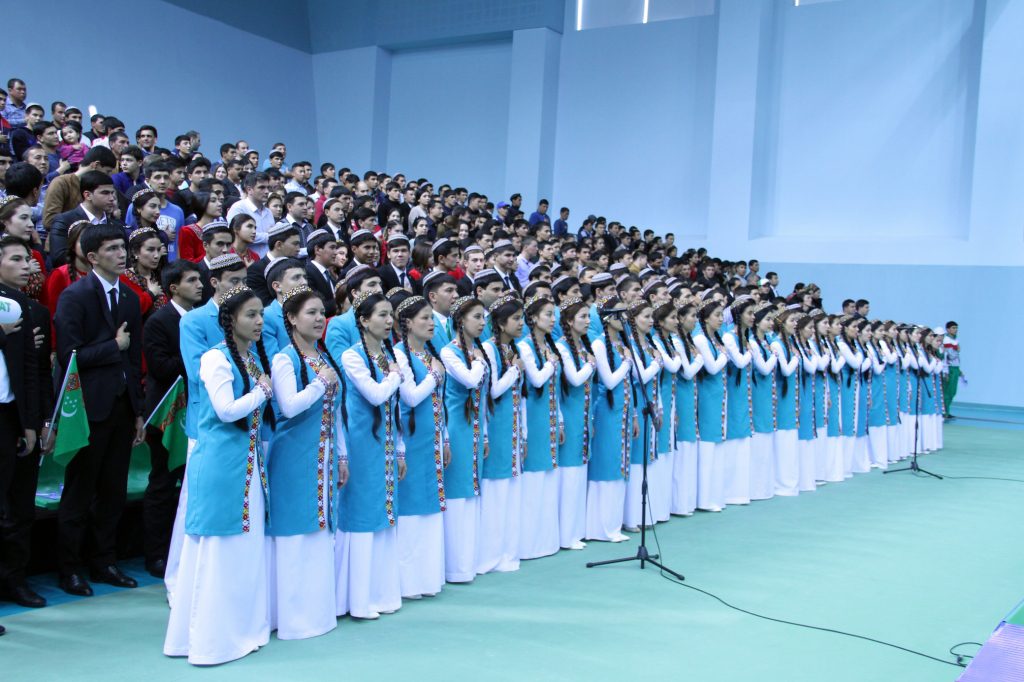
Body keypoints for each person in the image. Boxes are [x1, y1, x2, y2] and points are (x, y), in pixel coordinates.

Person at [164, 284, 274, 665]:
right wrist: (262, 392)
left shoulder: (250, 358)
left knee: (243, 547)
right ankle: (210, 640)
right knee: (218, 549)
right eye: (251, 315)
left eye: (261, 314)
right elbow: (226, 410)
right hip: (220, 466)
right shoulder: (215, 358)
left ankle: (240, 630)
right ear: (230, 319)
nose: (259, 322)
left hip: (247, 466)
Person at [54, 223, 145, 596]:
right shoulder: (74, 296)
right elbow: (69, 356)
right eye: (112, 249)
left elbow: (134, 359)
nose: (121, 254)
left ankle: (104, 561)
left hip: (122, 406)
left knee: (113, 491)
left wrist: (138, 410)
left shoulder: (129, 297)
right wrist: (113, 346)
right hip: (88, 408)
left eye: (123, 247)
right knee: (80, 490)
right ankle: (69, 568)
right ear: (92, 257)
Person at [269, 285, 345, 640]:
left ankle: (317, 613)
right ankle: (293, 618)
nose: (319, 319)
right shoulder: (285, 359)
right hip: (294, 456)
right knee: (296, 531)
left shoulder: (323, 357)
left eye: (321, 313)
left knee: (319, 528)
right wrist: (318, 385)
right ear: (291, 318)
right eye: (310, 313)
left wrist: (341, 454)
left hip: (323, 455)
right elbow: (288, 406)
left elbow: (336, 412)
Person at [337, 291, 404, 620]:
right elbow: (375, 395)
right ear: (363, 320)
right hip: (362, 442)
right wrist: (395, 375)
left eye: (391, 315)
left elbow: (395, 406)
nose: (389, 321)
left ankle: (381, 592)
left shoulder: (387, 355)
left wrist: (401, 448)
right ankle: (358, 598)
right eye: (381, 315)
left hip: (386, 443)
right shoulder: (352, 356)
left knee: (384, 510)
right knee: (363, 511)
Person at [141, 260, 202, 578]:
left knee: (191, 484)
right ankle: (156, 554)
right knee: (163, 484)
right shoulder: (158, 321)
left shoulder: (201, 317)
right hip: (167, 413)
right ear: (174, 288)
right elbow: (160, 367)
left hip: (196, 410)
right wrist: (196, 354)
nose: (200, 285)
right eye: (192, 280)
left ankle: (187, 551)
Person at [392, 294, 447, 599]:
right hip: (410, 438)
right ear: (408, 323)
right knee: (412, 504)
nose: (431, 323)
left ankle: (428, 578)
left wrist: (445, 438)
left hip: (431, 438)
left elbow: (439, 402)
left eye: (431, 318)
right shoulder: (400, 354)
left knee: (430, 503)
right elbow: (410, 396)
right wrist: (435, 376)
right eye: (424, 318)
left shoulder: (428, 354)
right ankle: (409, 581)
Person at [0, 236, 43, 612]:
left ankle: (15, 580)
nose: (26, 265)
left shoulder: (24, 307)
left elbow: (31, 369)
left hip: (13, 415)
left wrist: (31, 423)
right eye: (15, 259)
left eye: (27, 259)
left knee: (20, 504)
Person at [439, 295, 489, 582]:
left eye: (483, 317)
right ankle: (455, 566)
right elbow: (470, 380)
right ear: (460, 321)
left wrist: (484, 434)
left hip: (474, 428)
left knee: (472, 491)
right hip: (457, 427)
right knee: (458, 491)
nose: (482, 323)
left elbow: (483, 397)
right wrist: (480, 362)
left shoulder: (475, 351)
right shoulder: (449, 352)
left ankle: (469, 561)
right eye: (476, 317)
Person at [477, 292, 525, 575]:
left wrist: (524, 434)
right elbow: (493, 390)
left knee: (510, 493)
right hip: (496, 428)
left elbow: (521, 396)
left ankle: (508, 551)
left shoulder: (512, 348)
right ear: (500, 322)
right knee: (495, 493)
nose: (521, 323)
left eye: (521, 318)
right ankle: (490, 556)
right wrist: (515, 371)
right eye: (515, 319)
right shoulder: (489, 348)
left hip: (513, 429)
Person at [586, 295, 635, 542]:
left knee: (620, 462)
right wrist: (627, 362)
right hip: (606, 410)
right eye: (619, 313)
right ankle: (601, 527)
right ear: (607, 318)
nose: (624, 318)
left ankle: (614, 524)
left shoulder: (621, 344)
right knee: (606, 463)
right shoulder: (599, 344)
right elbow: (609, 380)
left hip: (622, 411)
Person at [517, 294, 563, 560]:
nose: (553, 319)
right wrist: (551, 363)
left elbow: (554, 388)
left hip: (549, 416)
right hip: (533, 418)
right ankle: (530, 544)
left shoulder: (548, 345)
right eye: (548, 314)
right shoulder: (525, 346)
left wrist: (560, 420)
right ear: (533, 318)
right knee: (534, 478)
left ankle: (546, 541)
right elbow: (535, 380)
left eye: (554, 314)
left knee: (547, 476)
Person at [554, 296, 595, 549]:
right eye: (583, 317)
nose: (588, 321)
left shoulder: (581, 347)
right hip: (569, 415)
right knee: (569, 474)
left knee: (579, 472)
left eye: (589, 316)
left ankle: (576, 531)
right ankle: (566, 534)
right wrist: (591, 365)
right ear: (569, 321)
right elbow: (575, 379)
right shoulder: (562, 347)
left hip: (583, 415)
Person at [721, 297, 755, 506]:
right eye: (749, 313)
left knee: (742, 438)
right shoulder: (729, 337)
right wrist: (751, 350)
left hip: (742, 393)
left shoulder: (743, 337)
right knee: (734, 436)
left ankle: (741, 491)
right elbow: (740, 362)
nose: (752, 317)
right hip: (733, 393)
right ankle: (730, 492)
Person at [304, 229, 339, 317]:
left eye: (336, 248)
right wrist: (341, 301)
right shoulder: (307, 273)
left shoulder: (329, 273)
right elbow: (316, 307)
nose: (336, 252)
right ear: (317, 250)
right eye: (332, 248)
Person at [942, 321, 961, 419]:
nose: (955, 330)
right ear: (948, 329)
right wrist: (957, 350)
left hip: (955, 368)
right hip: (950, 368)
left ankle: (946, 411)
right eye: (953, 328)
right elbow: (950, 355)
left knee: (952, 391)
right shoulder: (946, 340)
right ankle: (944, 411)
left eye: (956, 328)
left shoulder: (954, 339)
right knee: (948, 391)